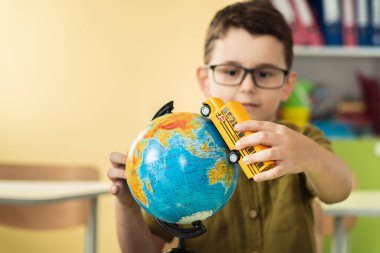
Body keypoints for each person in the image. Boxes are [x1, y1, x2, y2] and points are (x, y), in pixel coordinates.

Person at [107, 1, 352, 252]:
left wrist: (311, 156)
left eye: (265, 74)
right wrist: (127, 206)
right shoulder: (175, 150)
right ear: (205, 80)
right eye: (231, 71)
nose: (247, 87)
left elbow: (339, 190)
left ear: (287, 85)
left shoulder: (299, 140)